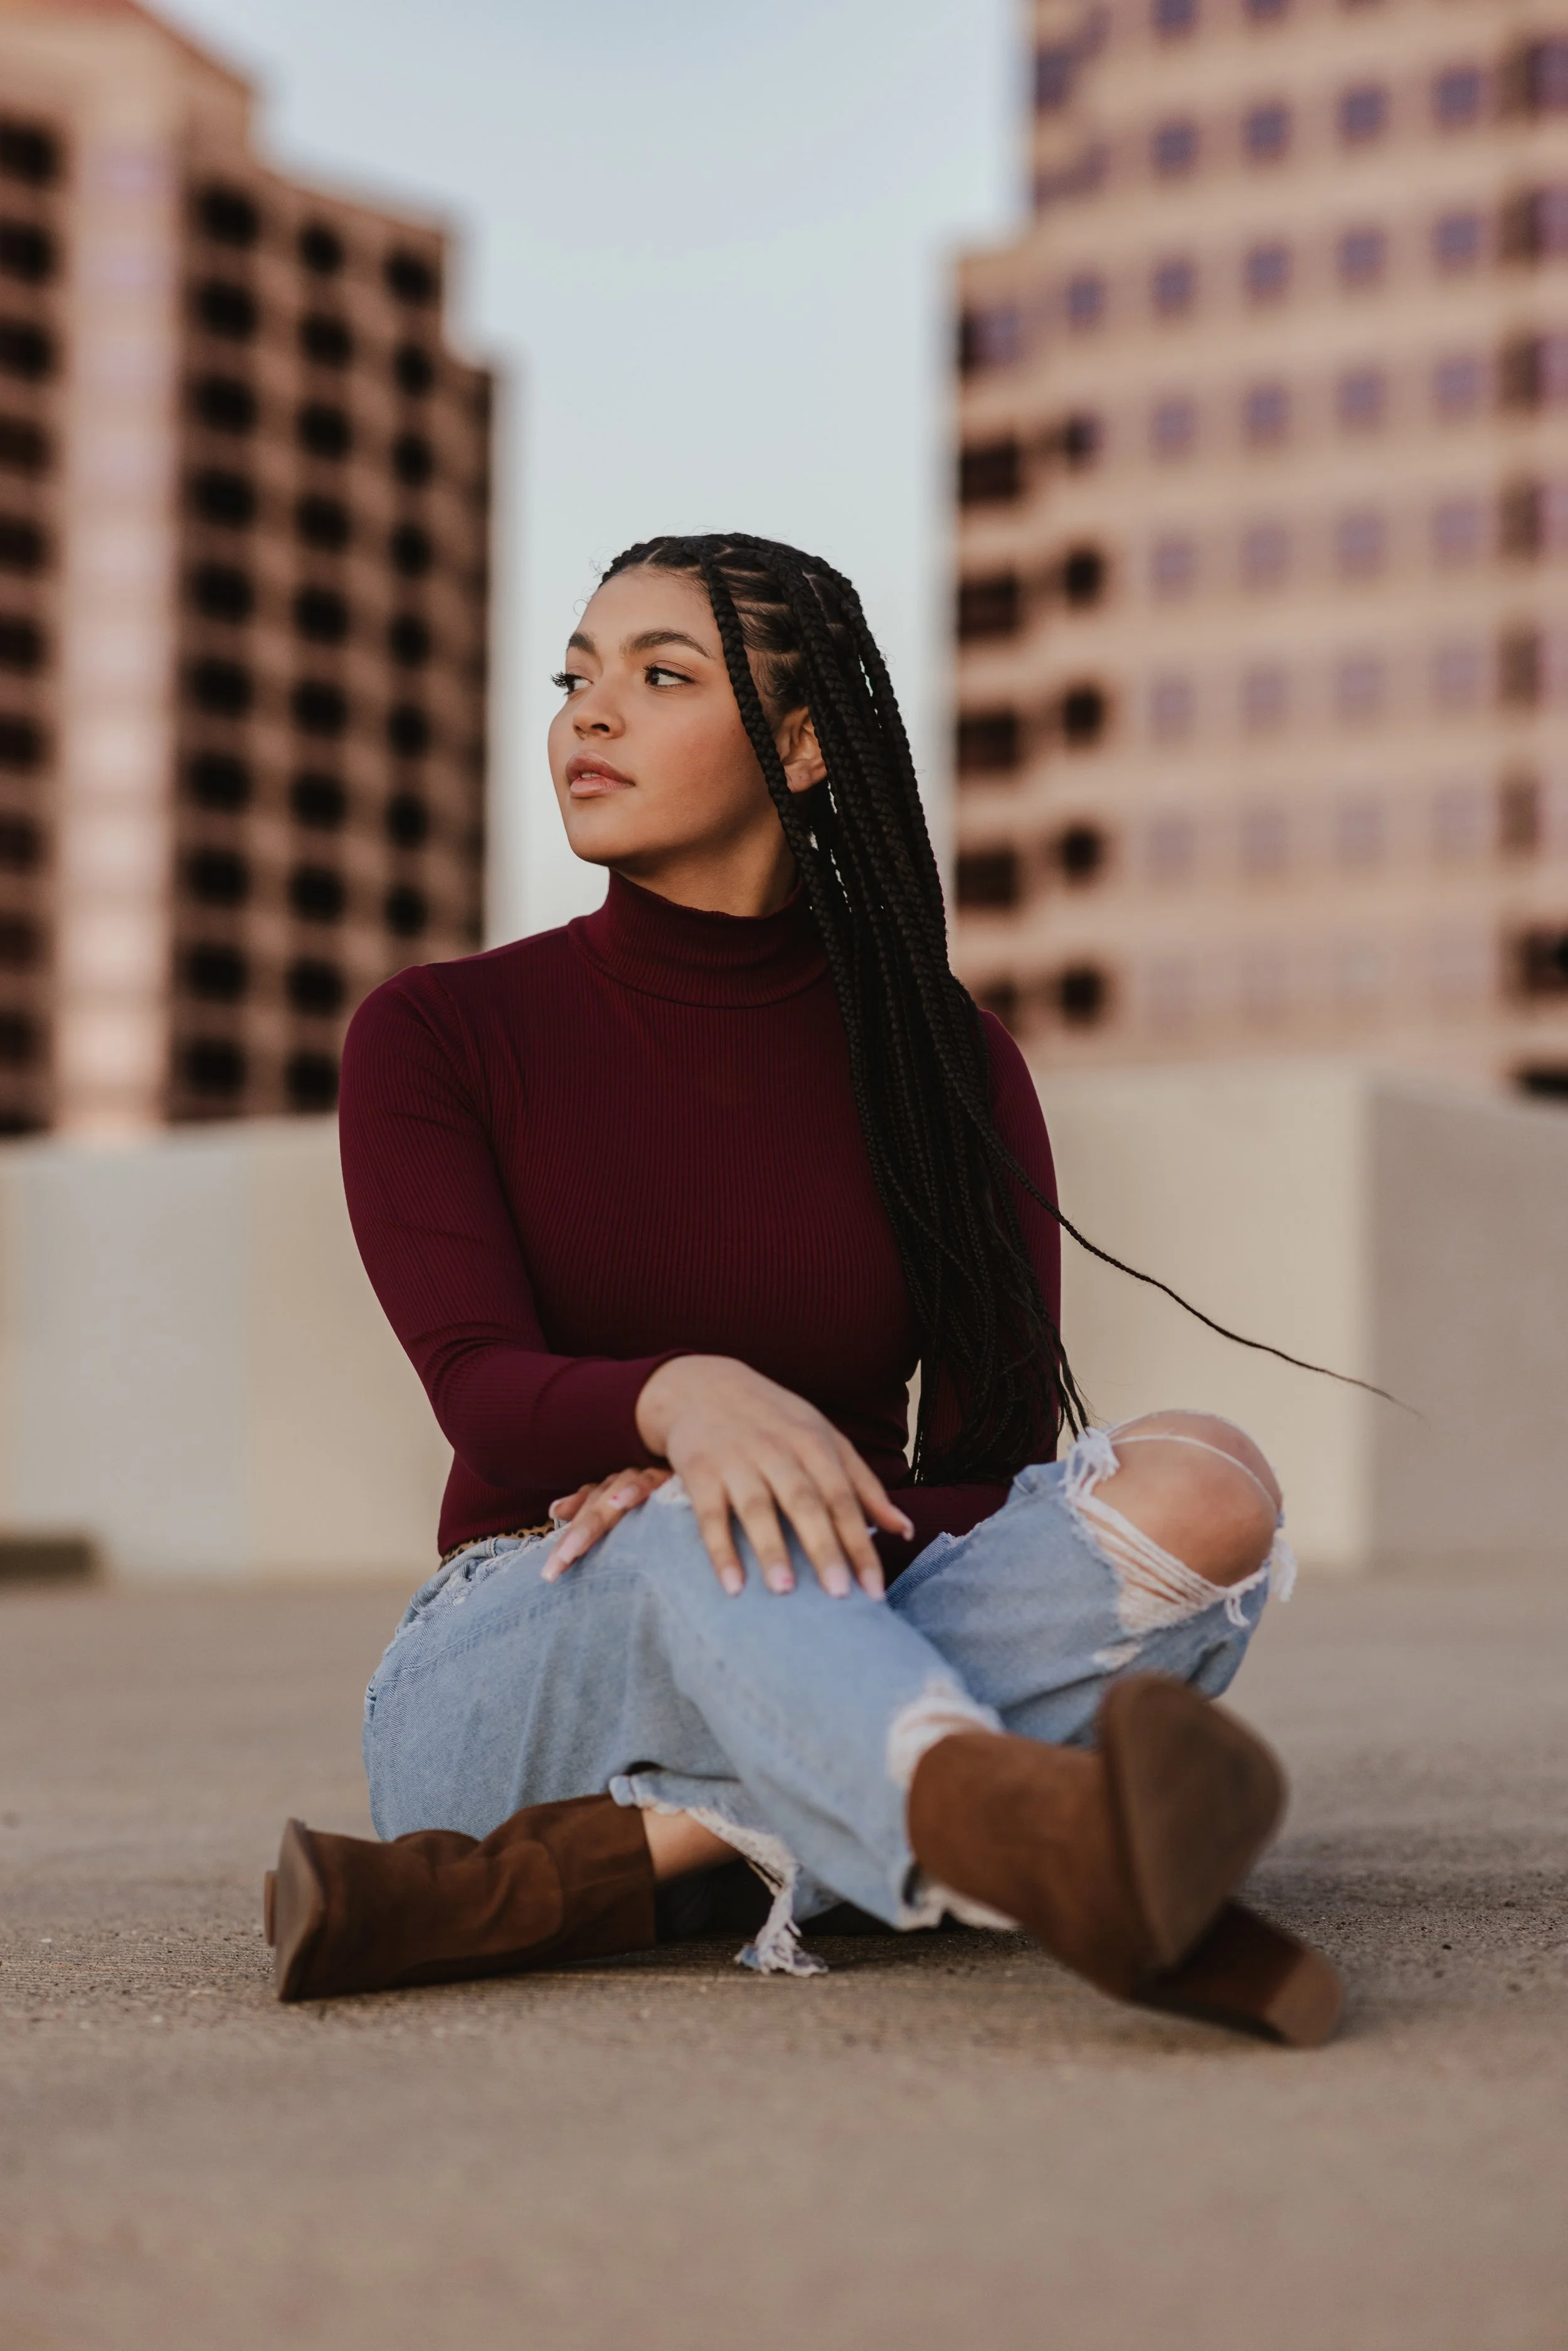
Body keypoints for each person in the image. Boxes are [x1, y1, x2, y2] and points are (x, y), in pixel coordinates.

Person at [263, 534, 1341, 2046]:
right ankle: (1011, 1822)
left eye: (658, 676)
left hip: (826, 1620)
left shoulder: (945, 1066)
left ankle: (600, 1873)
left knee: (1207, 1486)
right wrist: (682, 1403)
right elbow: (481, 1389)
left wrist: (799, 1499)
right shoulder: (440, 1031)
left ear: (801, 745)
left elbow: (983, 1467)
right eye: (574, 676)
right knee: (701, 1509)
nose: (587, 714)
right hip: (520, 1667)